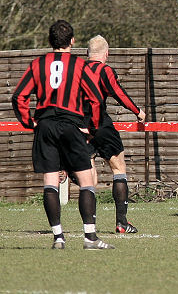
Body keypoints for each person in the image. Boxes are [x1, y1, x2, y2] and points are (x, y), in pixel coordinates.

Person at [11, 20, 113, 249]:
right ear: (73, 41)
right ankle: (90, 237)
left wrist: (31, 123)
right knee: (86, 182)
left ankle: (58, 237)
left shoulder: (38, 64)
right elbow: (96, 99)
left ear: (50, 41)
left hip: (45, 125)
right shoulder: (79, 65)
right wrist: (93, 129)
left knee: (50, 182)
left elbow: (18, 97)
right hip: (70, 125)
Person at [82, 35, 146, 233]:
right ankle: (122, 222)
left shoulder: (76, 70)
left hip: (77, 125)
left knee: (88, 178)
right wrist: (138, 111)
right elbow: (118, 93)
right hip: (100, 124)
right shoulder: (105, 70)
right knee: (118, 168)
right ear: (106, 53)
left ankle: (89, 227)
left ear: (88, 53)